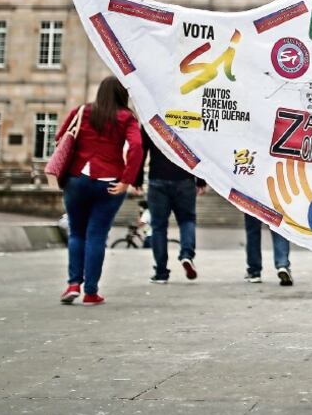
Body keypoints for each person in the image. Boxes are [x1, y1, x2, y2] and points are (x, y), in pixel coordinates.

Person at [58, 76, 143, 305]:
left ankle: (73, 284)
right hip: (109, 181)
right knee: (96, 236)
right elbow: (136, 146)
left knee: (77, 233)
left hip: (76, 178)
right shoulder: (126, 117)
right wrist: (127, 180)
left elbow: (60, 138)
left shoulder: (82, 111)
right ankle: (91, 292)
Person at [135, 130, 206, 283]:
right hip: (185, 178)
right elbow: (200, 149)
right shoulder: (190, 116)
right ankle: (187, 255)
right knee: (187, 220)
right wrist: (201, 179)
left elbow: (142, 148)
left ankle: (161, 273)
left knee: (159, 226)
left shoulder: (152, 115)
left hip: (157, 178)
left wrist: (138, 178)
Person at [242, 213, 293, 286]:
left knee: (253, 231)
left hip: (255, 202)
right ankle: (282, 266)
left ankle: (254, 272)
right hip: (274, 202)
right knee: (279, 229)